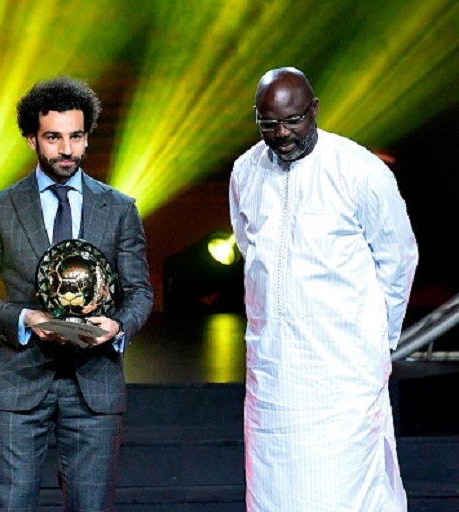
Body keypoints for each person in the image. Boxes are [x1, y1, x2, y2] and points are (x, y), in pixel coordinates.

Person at [0, 76, 153, 511]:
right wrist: (26, 320)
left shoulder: (119, 208)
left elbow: (140, 293)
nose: (66, 149)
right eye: (53, 137)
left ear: (86, 137)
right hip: (21, 379)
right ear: (32, 139)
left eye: (76, 136)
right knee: (13, 505)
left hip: (95, 382)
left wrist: (117, 326)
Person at [229, 67, 419, 511]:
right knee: (274, 489)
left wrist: (377, 340)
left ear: (314, 110)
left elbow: (398, 259)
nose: (281, 133)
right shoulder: (245, 171)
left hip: (343, 373)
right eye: (268, 123)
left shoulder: (359, 171)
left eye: (293, 120)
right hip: (273, 370)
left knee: (344, 490)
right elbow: (248, 245)